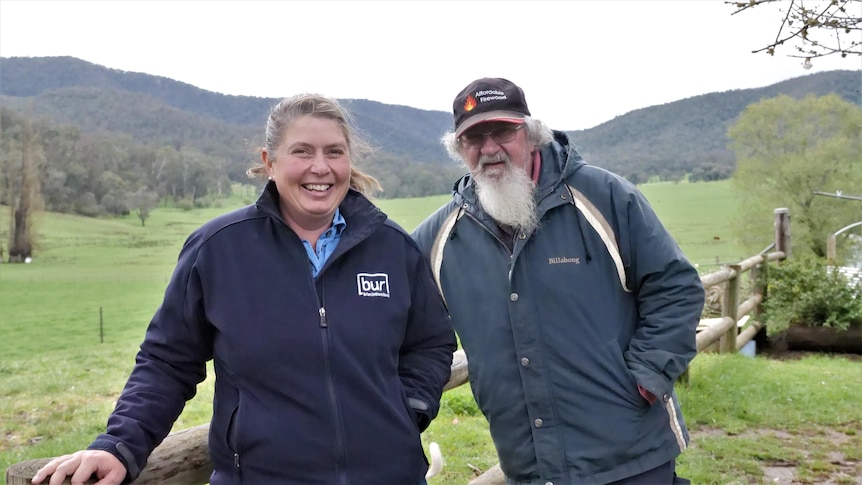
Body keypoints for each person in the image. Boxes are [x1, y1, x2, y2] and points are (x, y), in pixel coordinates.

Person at [32, 93, 456, 485]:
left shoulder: (391, 247)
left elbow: (431, 342)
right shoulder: (218, 249)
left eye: (334, 152)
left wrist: (409, 411)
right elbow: (168, 361)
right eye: (302, 152)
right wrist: (120, 446)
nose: (320, 167)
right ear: (270, 162)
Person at [412, 78, 705, 485]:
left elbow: (675, 287)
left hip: (630, 454)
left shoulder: (604, 197)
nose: (489, 147)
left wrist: (646, 377)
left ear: (531, 135)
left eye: (502, 131)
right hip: (528, 462)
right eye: (473, 137)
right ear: (459, 149)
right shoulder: (439, 237)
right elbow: (405, 325)